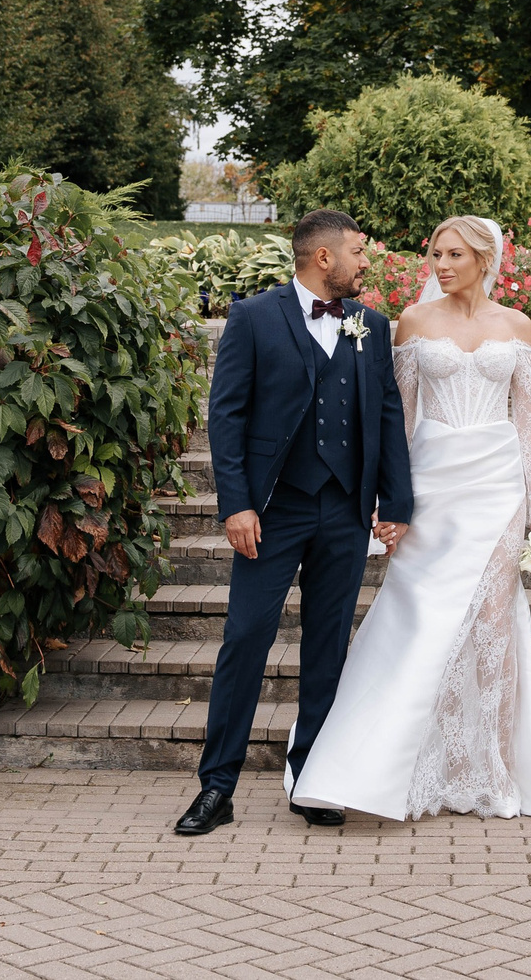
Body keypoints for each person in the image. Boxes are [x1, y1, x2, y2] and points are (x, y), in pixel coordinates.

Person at [290, 214, 531, 822]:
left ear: (484, 259)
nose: (439, 266)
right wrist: (391, 501)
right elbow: (399, 419)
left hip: (498, 491)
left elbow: (529, 424)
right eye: (435, 255)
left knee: (494, 626)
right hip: (433, 487)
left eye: (453, 256)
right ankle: (415, 764)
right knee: (420, 622)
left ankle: (491, 773)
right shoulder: (414, 324)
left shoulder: (517, 327)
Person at [174, 209, 414, 836]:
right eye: (359, 252)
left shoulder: (371, 325)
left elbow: (387, 416)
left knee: (327, 650)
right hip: (271, 510)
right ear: (323, 258)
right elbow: (225, 415)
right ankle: (216, 787)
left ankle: (314, 780)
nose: (367, 263)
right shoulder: (254, 317)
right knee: (245, 640)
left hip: (343, 509)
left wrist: (396, 503)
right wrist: (236, 504)